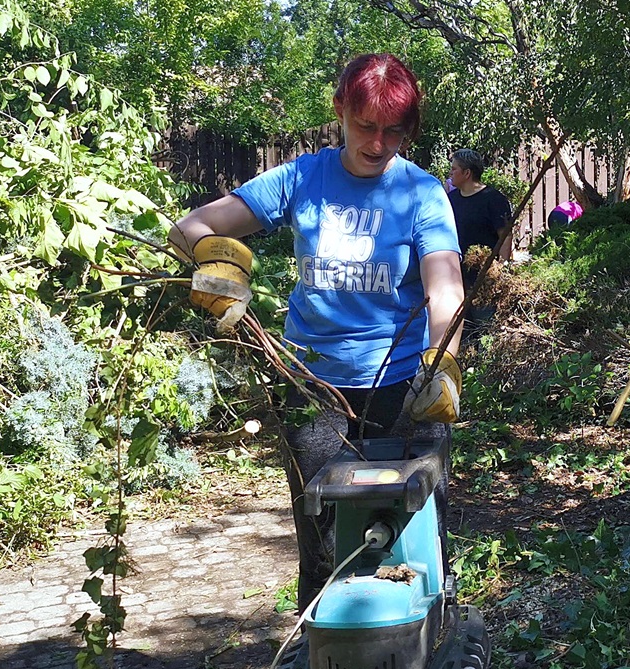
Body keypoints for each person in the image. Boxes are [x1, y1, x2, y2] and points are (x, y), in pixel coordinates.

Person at [167, 53, 465, 614]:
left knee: (418, 539)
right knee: (326, 545)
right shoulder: (303, 178)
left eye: (393, 130)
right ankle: (321, 648)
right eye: (365, 126)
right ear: (340, 112)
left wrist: (441, 356)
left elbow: (444, 284)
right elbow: (191, 228)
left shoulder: (422, 193)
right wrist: (219, 264)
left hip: (404, 391)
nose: (378, 143)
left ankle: (427, 643)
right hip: (311, 390)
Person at [447, 149, 514, 275]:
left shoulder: (494, 199)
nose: (450, 173)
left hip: (485, 274)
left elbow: (505, 235)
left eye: (454, 169)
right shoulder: (450, 199)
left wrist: (501, 268)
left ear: (467, 173)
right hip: (456, 274)